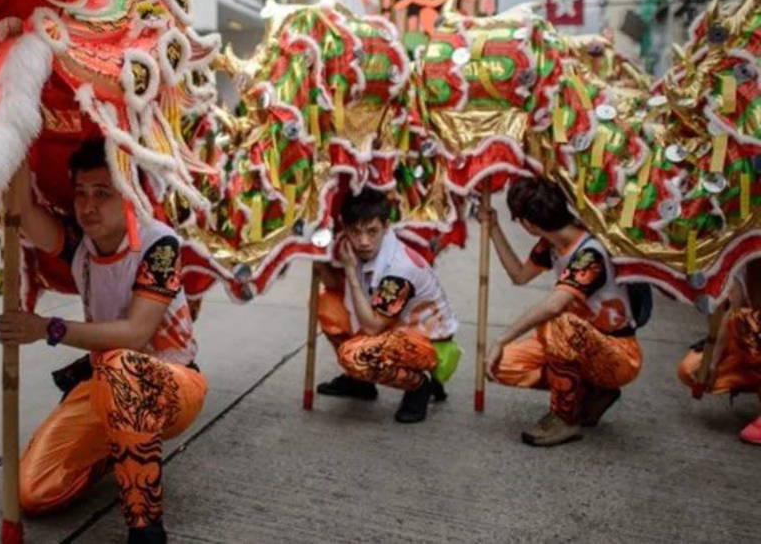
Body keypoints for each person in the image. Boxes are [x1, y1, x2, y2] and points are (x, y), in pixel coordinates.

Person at [0, 138, 205, 544]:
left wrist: (48, 328)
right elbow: (20, 211)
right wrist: (16, 132)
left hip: (174, 384)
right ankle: (117, 447)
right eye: (81, 193)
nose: (88, 205)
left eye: (102, 194)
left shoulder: (158, 245)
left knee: (118, 363)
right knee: (34, 492)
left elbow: (135, 333)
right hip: (103, 386)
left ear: (129, 193)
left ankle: (146, 527)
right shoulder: (80, 242)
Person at [481, 176, 642, 447]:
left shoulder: (591, 254)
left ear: (528, 224)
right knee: (501, 366)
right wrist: (494, 228)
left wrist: (501, 339)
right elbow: (520, 275)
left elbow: (555, 305)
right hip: (575, 343)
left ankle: (565, 418)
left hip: (617, 353)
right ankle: (590, 392)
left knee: (558, 319)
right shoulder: (551, 244)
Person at [314, 188, 459, 424]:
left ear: (386, 226)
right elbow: (338, 289)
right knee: (329, 303)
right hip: (394, 329)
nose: (363, 241)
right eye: (356, 232)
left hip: (428, 343)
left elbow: (372, 327)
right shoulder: (358, 246)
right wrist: (316, 260)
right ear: (346, 228)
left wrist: (350, 271)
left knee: (355, 356)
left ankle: (420, 385)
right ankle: (361, 383)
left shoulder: (399, 270)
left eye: (372, 232)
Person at [677, 261, 761, 445]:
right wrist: (712, 363)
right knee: (692, 369)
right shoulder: (744, 263)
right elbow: (728, 314)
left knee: (749, 322)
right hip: (750, 349)